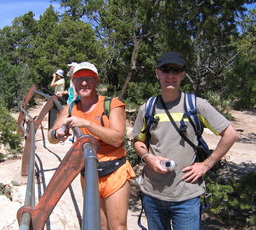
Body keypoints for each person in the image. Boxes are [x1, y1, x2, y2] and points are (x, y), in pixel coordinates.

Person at [132, 51, 239, 230]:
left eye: (176, 70)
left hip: (187, 197)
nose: (171, 75)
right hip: (153, 195)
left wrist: (205, 165)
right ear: (157, 73)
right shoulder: (147, 108)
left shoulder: (197, 105)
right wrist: (147, 158)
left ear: (183, 75)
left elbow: (231, 134)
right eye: (166, 70)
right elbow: (138, 141)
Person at [48, 61, 136, 230]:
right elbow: (51, 136)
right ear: (73, 83)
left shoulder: (112, 104)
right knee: (100, 225)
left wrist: (86, 124)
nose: (84, 83)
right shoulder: (71, 108)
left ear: (97, 81)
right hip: (89, 173)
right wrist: (57, 134)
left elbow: (117, 138)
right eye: (79, 79)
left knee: (118, 226)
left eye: (89, 78)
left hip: (115, 172)